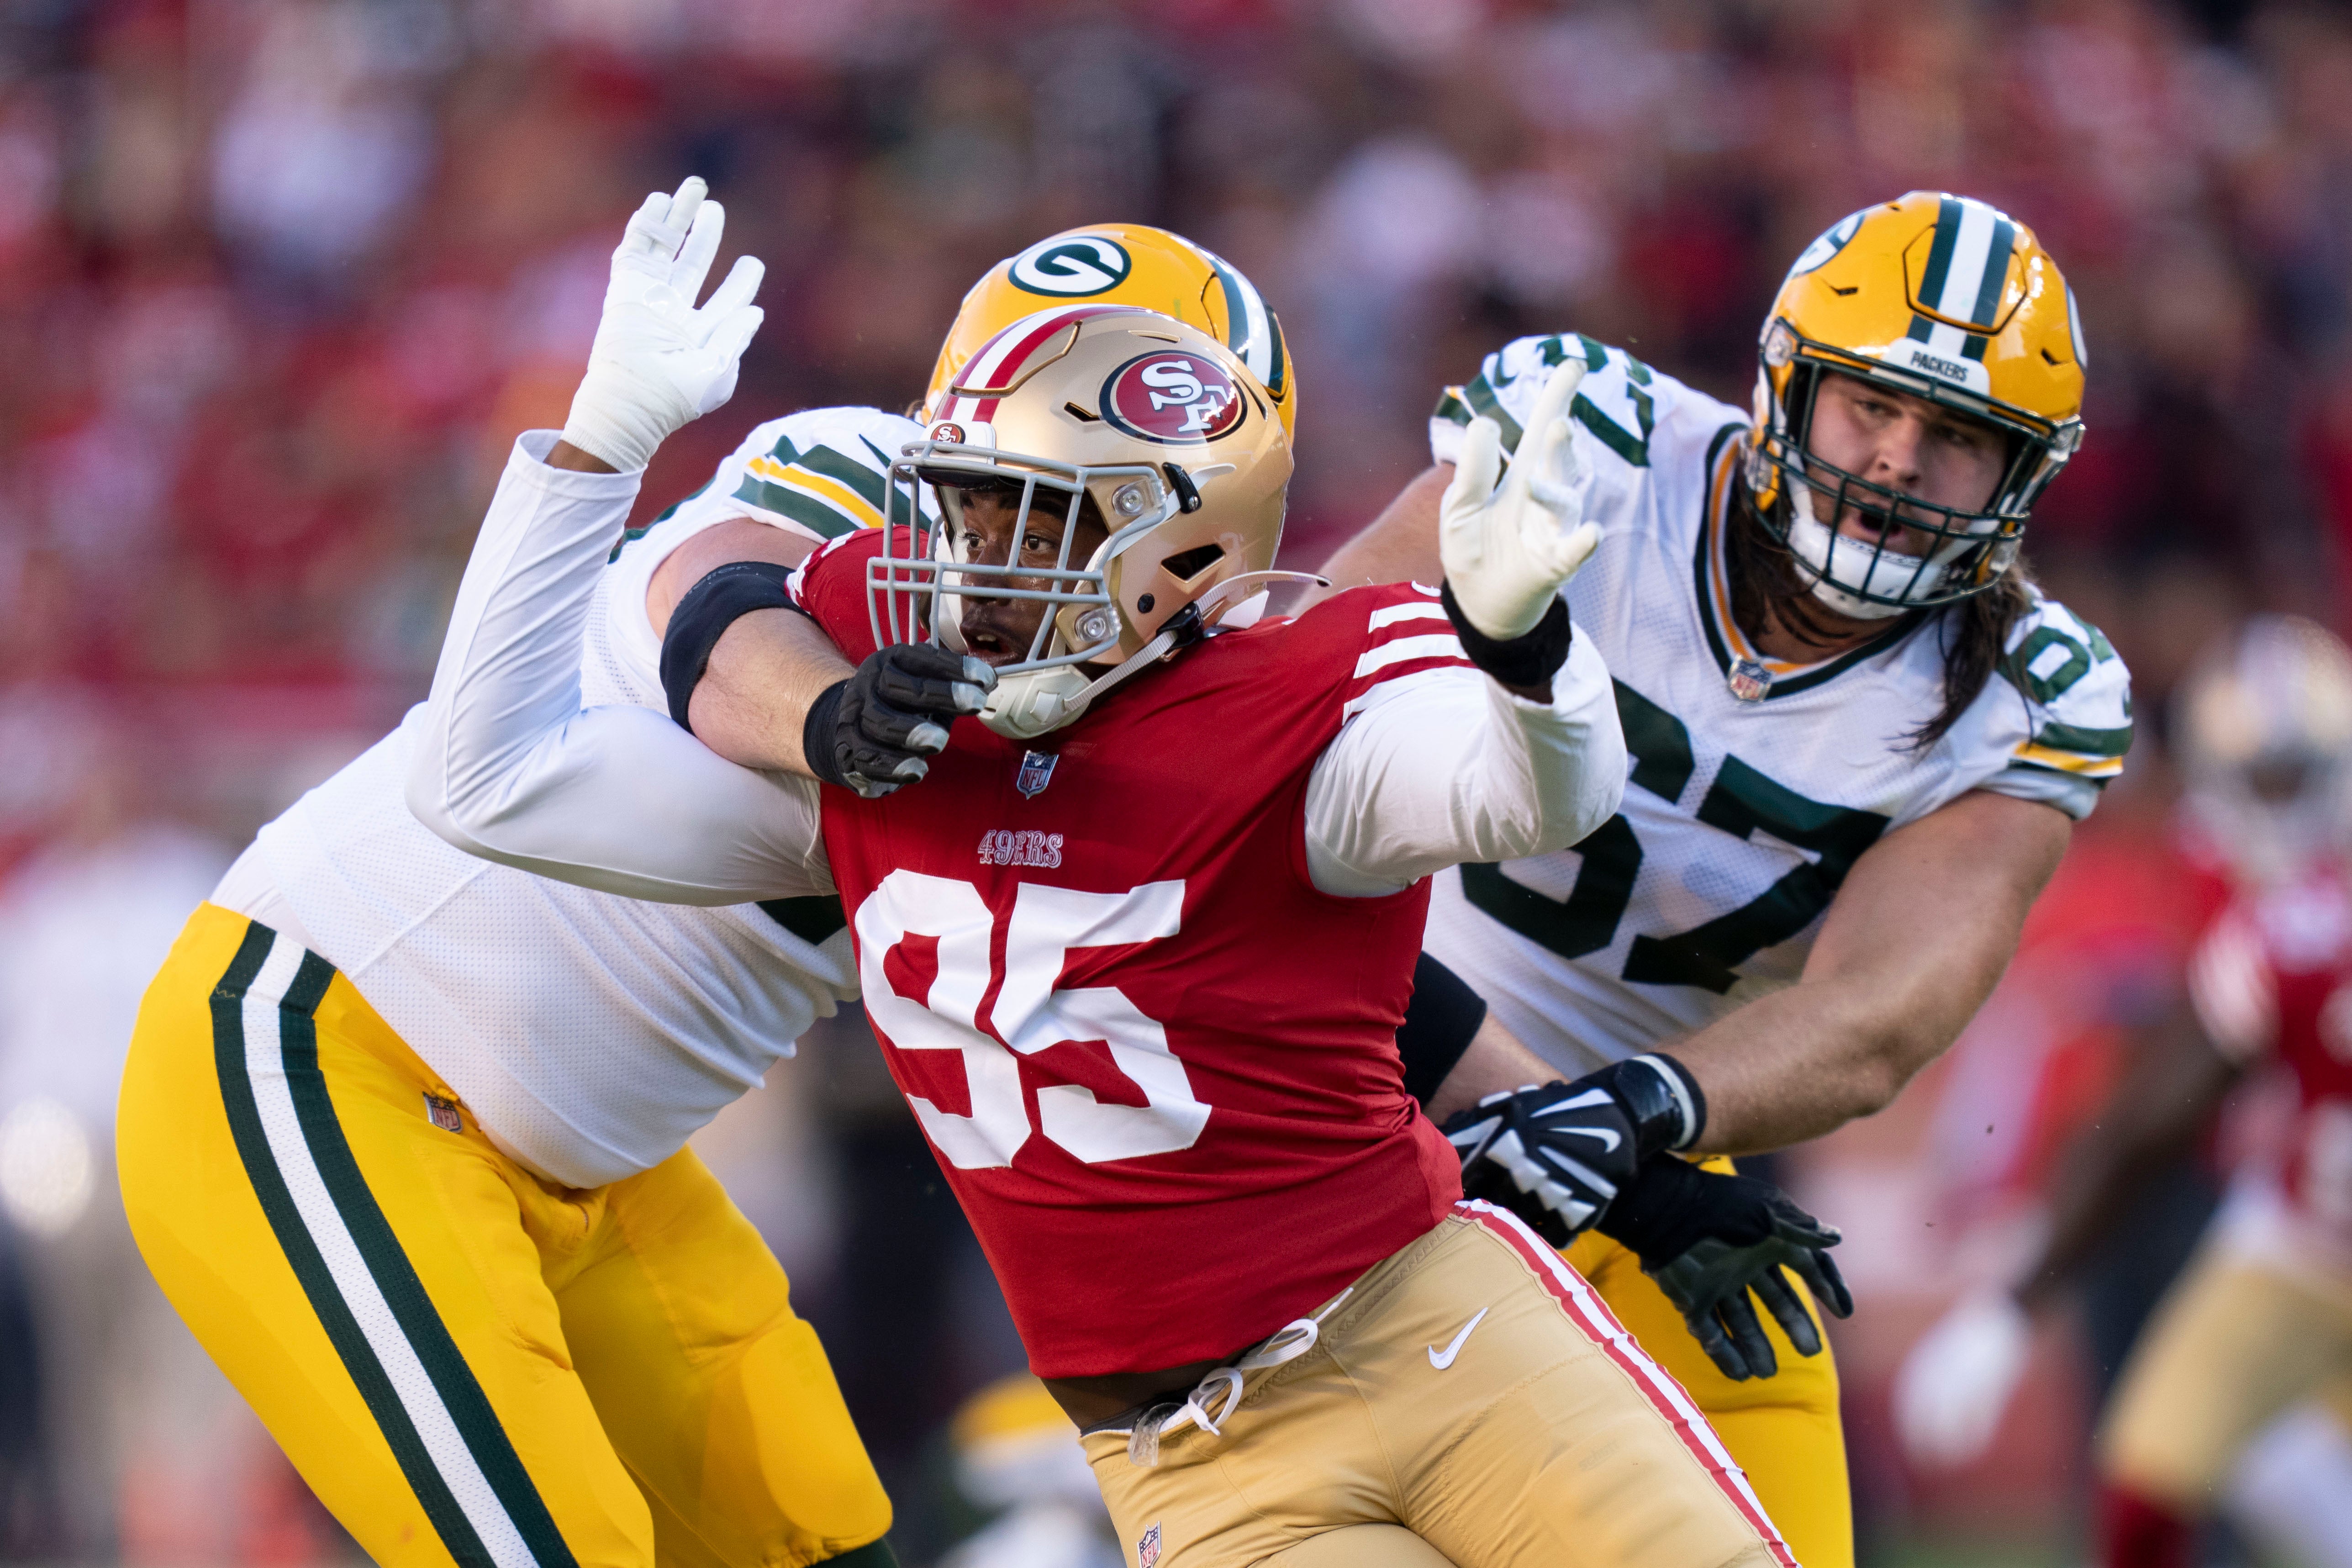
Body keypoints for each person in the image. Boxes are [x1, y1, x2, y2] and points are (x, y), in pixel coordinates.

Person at [410, 176, 1819, 1568]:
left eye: (1033, 519)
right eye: (962, 509)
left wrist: (1531, 658)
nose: (973, 561)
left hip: (1438, 1337)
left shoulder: (1295, 692)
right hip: (1189, 1463)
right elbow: (502, 759)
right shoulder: (885, 714)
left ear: (1187, 526)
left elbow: (1529, 798)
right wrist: (597, 447)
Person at [1305, 190, 2135, 1568]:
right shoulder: (1595, 448)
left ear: (2022, 478)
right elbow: (1293, 721)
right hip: (1344, 1070)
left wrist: (1645, 1109)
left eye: (1957, 439)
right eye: (1867, 405)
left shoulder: (2025, 691)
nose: (1896, 461)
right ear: (1781, 386)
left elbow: (1876, 1011)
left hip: (1632, 1151)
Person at [116, 180, 899, 1568]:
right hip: (329, 1051)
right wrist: (600, 446)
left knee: (815, 1533)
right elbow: (707, 601)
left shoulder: (1133, 699)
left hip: (601, 1156)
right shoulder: (876, 490)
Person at [1898, 615, 2352, 1568]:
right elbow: (2149, 1109)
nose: (2282, 810)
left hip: (2256, 1194)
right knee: (2149, 1475)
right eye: (2260, 780)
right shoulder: (2260, 917)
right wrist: (2009, 1300)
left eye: (2298, 777)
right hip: (2286, 1228)